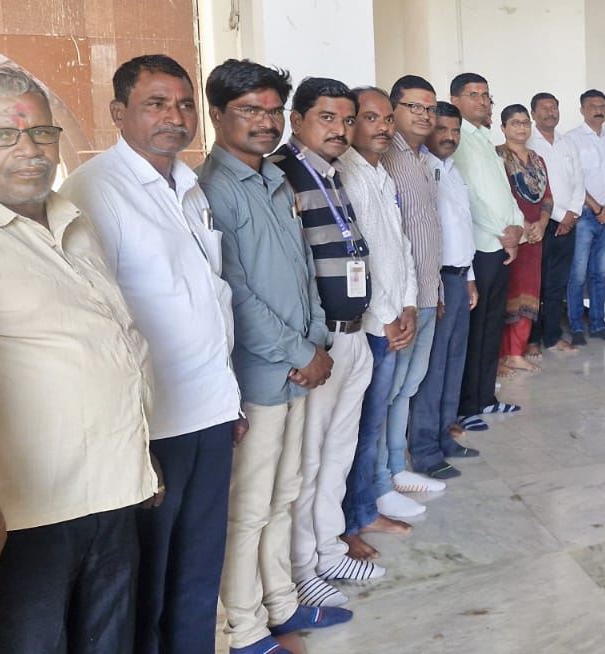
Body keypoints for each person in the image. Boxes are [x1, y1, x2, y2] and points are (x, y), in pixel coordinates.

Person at [58, 53, 240, 654]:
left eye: (184, 104)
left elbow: (207, 298)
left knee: (199, 566)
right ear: (119, 113)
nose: (175, 117)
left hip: (209, 408)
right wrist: (132, 437)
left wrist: (230, 399)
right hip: (152, 425)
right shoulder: (94, 191)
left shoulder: (187, 184)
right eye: (156, 103)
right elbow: (98, 324)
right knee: (148, 579)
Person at [0, 60, 157, 654]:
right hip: (30, 511)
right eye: (3, 134)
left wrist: (141, 459)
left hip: (114, 489)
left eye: (41, 132)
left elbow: (116, 342)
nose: (29, 149)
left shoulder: (72, 220)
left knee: (109, 639)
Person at [196, 59, 351, 654]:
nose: (265, 122)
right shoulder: (212, 190)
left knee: (286, 492)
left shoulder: (276, 180)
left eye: (272, 110)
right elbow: (233, 290)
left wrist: (316, 340)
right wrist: (297, 350)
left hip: (300, 367)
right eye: (249, 111)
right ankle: (243, 626)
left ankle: (281, 603)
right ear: (217, 115)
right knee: (250, 507)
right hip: (260, 374)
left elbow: (302, 270)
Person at [272, 77, 383, 611]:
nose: (340, 129)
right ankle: (302, 567)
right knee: (308, 461)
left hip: (354, 333)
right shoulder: (281, 173)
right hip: (320, 343)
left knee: (339, 452)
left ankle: (329, 548)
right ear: (297, 120)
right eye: (327, 118)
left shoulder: (332, 173)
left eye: (346, 119)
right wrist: (307, 343)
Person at [336, 85, 427, 566]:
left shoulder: (381, 174)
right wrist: (385, 318)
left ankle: (366, 508)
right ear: (352, 123)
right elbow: (358, 259)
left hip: (393, 318)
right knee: (358, 430)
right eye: (371, 118)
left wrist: (408, 304)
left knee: (371, 425)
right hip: (371, 326)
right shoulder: (344, 175)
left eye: (388, 118)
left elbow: (400, 247)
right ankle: (353, 519)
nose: (384, 127)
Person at [376, 77, 455, 496]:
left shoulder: (422, 159)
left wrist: (436, 291)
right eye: (415, 107)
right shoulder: (385, 156)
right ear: (395, 109)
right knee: (387, 391)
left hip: (426, 294)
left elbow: (427, 232)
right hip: (399, 302)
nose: (425, 115)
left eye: (430, 108)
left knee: (408, 386)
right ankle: (380, 476)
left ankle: (396, 465)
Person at [413, 101, 484, 478]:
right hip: (436, 280)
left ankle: (444, 435)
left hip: (459, 277)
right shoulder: (421, 168)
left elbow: (461, 228)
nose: (449, 136)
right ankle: (424, 449)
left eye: (455, 131)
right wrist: (435, 286)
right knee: (433, 368)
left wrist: (469, 276)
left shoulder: (453, 171)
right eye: (442, 129)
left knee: (454, 362)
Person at [451, 72, 523, 426]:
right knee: (476, 328)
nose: (482, 101)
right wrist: (502, 232)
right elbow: (469, 196)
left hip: (501, 246)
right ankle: (467, 406)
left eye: (486, 95)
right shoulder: (457, 138)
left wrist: (517, 227)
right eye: (474, 94)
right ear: (455, 100)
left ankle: (485, 398)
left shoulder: (485, 138)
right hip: (481, 247)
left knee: (492, 325)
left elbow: (504, 193)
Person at [496, 103, 552, 367]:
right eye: (515, 123)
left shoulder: (537, 159)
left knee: (529, 292)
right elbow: (497, 198)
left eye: (525, 123)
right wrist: (522, 225)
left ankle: (516, 353)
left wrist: (542, 223)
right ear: (503, 127)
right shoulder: (497, 157)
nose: (521, 128)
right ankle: (500, 356)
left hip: (535, 237)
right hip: (509, 236)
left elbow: (547, 197)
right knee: (506, 293)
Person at [565, 89, 605, 345]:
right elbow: (573, 180)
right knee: (577, 275)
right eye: (593, 106)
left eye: (602, 106)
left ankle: (598, 325)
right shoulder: (572, 139)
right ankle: (577, 328)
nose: (598, 110)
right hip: (585, 217)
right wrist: (597, 208)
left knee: (600, 274)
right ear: (582, 110)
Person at [529, 92, 583, 354]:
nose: (550, 113)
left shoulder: (567, 142)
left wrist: (572, 214)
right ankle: (531, 340)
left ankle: (552, 337)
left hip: (568, 223)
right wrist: (557, 216)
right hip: (540, 223)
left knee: (556, 284)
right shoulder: (528, 142)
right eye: (544, 108)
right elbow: (533, 188)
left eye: (554, 108)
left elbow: (579, 181)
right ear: (533, 114)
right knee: (534, 285)